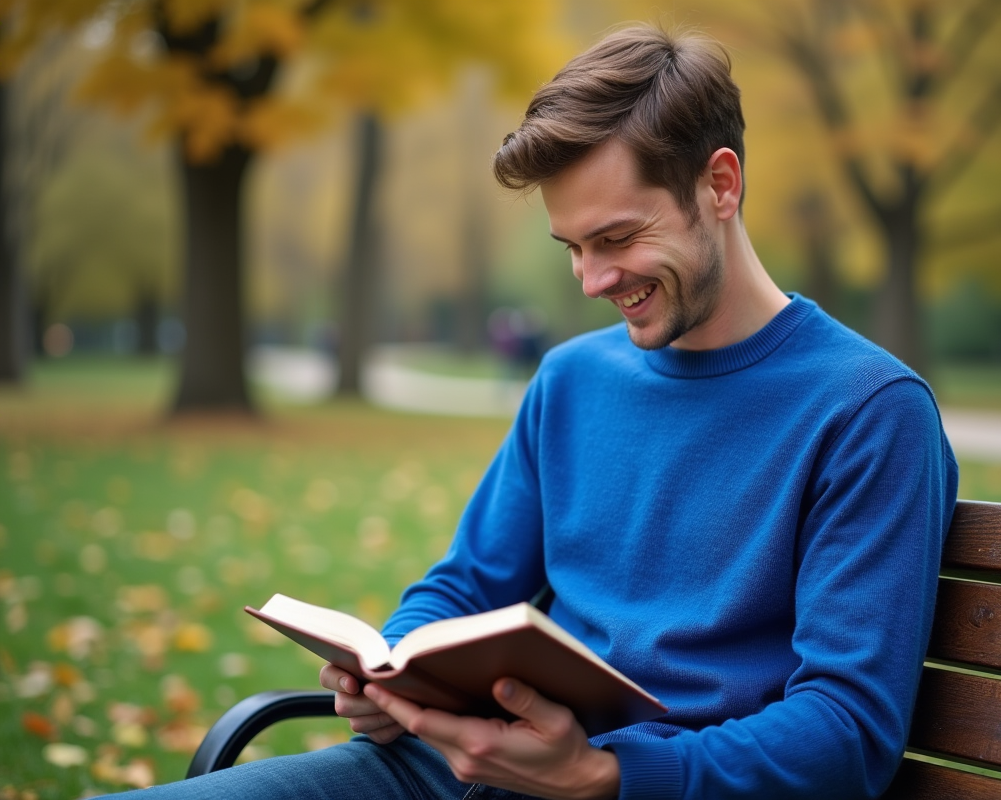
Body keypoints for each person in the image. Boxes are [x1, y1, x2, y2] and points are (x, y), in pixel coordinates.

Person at [104, 24, 957, 800]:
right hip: (443, 770)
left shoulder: (868, 413)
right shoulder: (571, 379)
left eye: (617, 239)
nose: (591, 281)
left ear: (721, 184)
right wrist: (395, 672)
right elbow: (466, 585)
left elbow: (847, 732)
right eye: (573, 248)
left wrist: (606, 775)